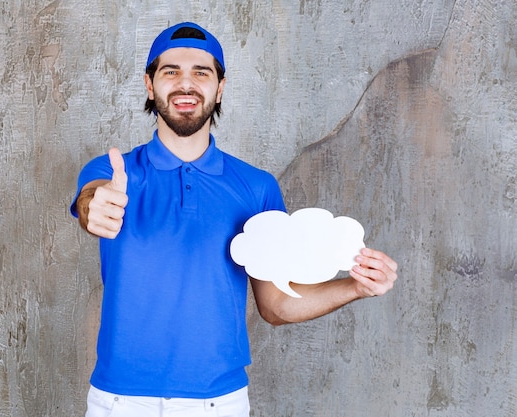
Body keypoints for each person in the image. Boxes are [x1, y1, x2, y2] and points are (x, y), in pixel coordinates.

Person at [71, 21, 398, 417]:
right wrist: (98, 205)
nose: (185, 84)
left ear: (220, 87)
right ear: (149, 83)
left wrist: (355, 288)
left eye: (201, 73)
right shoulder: (111, 170)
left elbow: (275, 305)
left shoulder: (257, 188)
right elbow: (92, 201)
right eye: (170, 71)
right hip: (119, 401)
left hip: (218, 403)